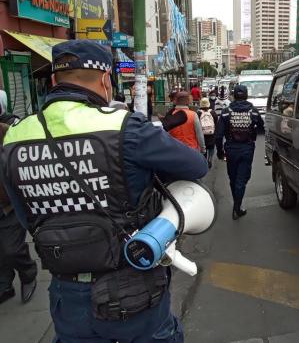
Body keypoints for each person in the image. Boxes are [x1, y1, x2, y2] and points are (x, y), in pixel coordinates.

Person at [1, 40, 208, 342]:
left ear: (55, 81)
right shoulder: (125, 126)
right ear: (105, 81)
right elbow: (195, 166)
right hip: (134, 288)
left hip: (67, 294)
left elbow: (24, 216)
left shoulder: (14, 137)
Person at [0, 94, 37, 305]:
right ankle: (4, 285)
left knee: (12, 248)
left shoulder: (9, 130)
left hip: (8, 203)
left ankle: (28, 272)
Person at [216, 85, 264, 220]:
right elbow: (261, 127)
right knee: (242, 179)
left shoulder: (226, 112)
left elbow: (218, 135)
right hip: (247, 149)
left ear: (234, 95)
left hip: (230, 150)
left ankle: (237, 205)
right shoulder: (253, 111)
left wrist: (220, 152)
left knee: (233, 178)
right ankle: (237, 208)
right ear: (247, 95)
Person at [198, 97, 219, 169]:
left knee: (203, 148)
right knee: (211, 147)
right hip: (211, 134)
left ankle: (204, 161)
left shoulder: (198, 113)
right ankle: (210, 159)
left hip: (202, 134)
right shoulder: (212, 112)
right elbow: (216, 123)